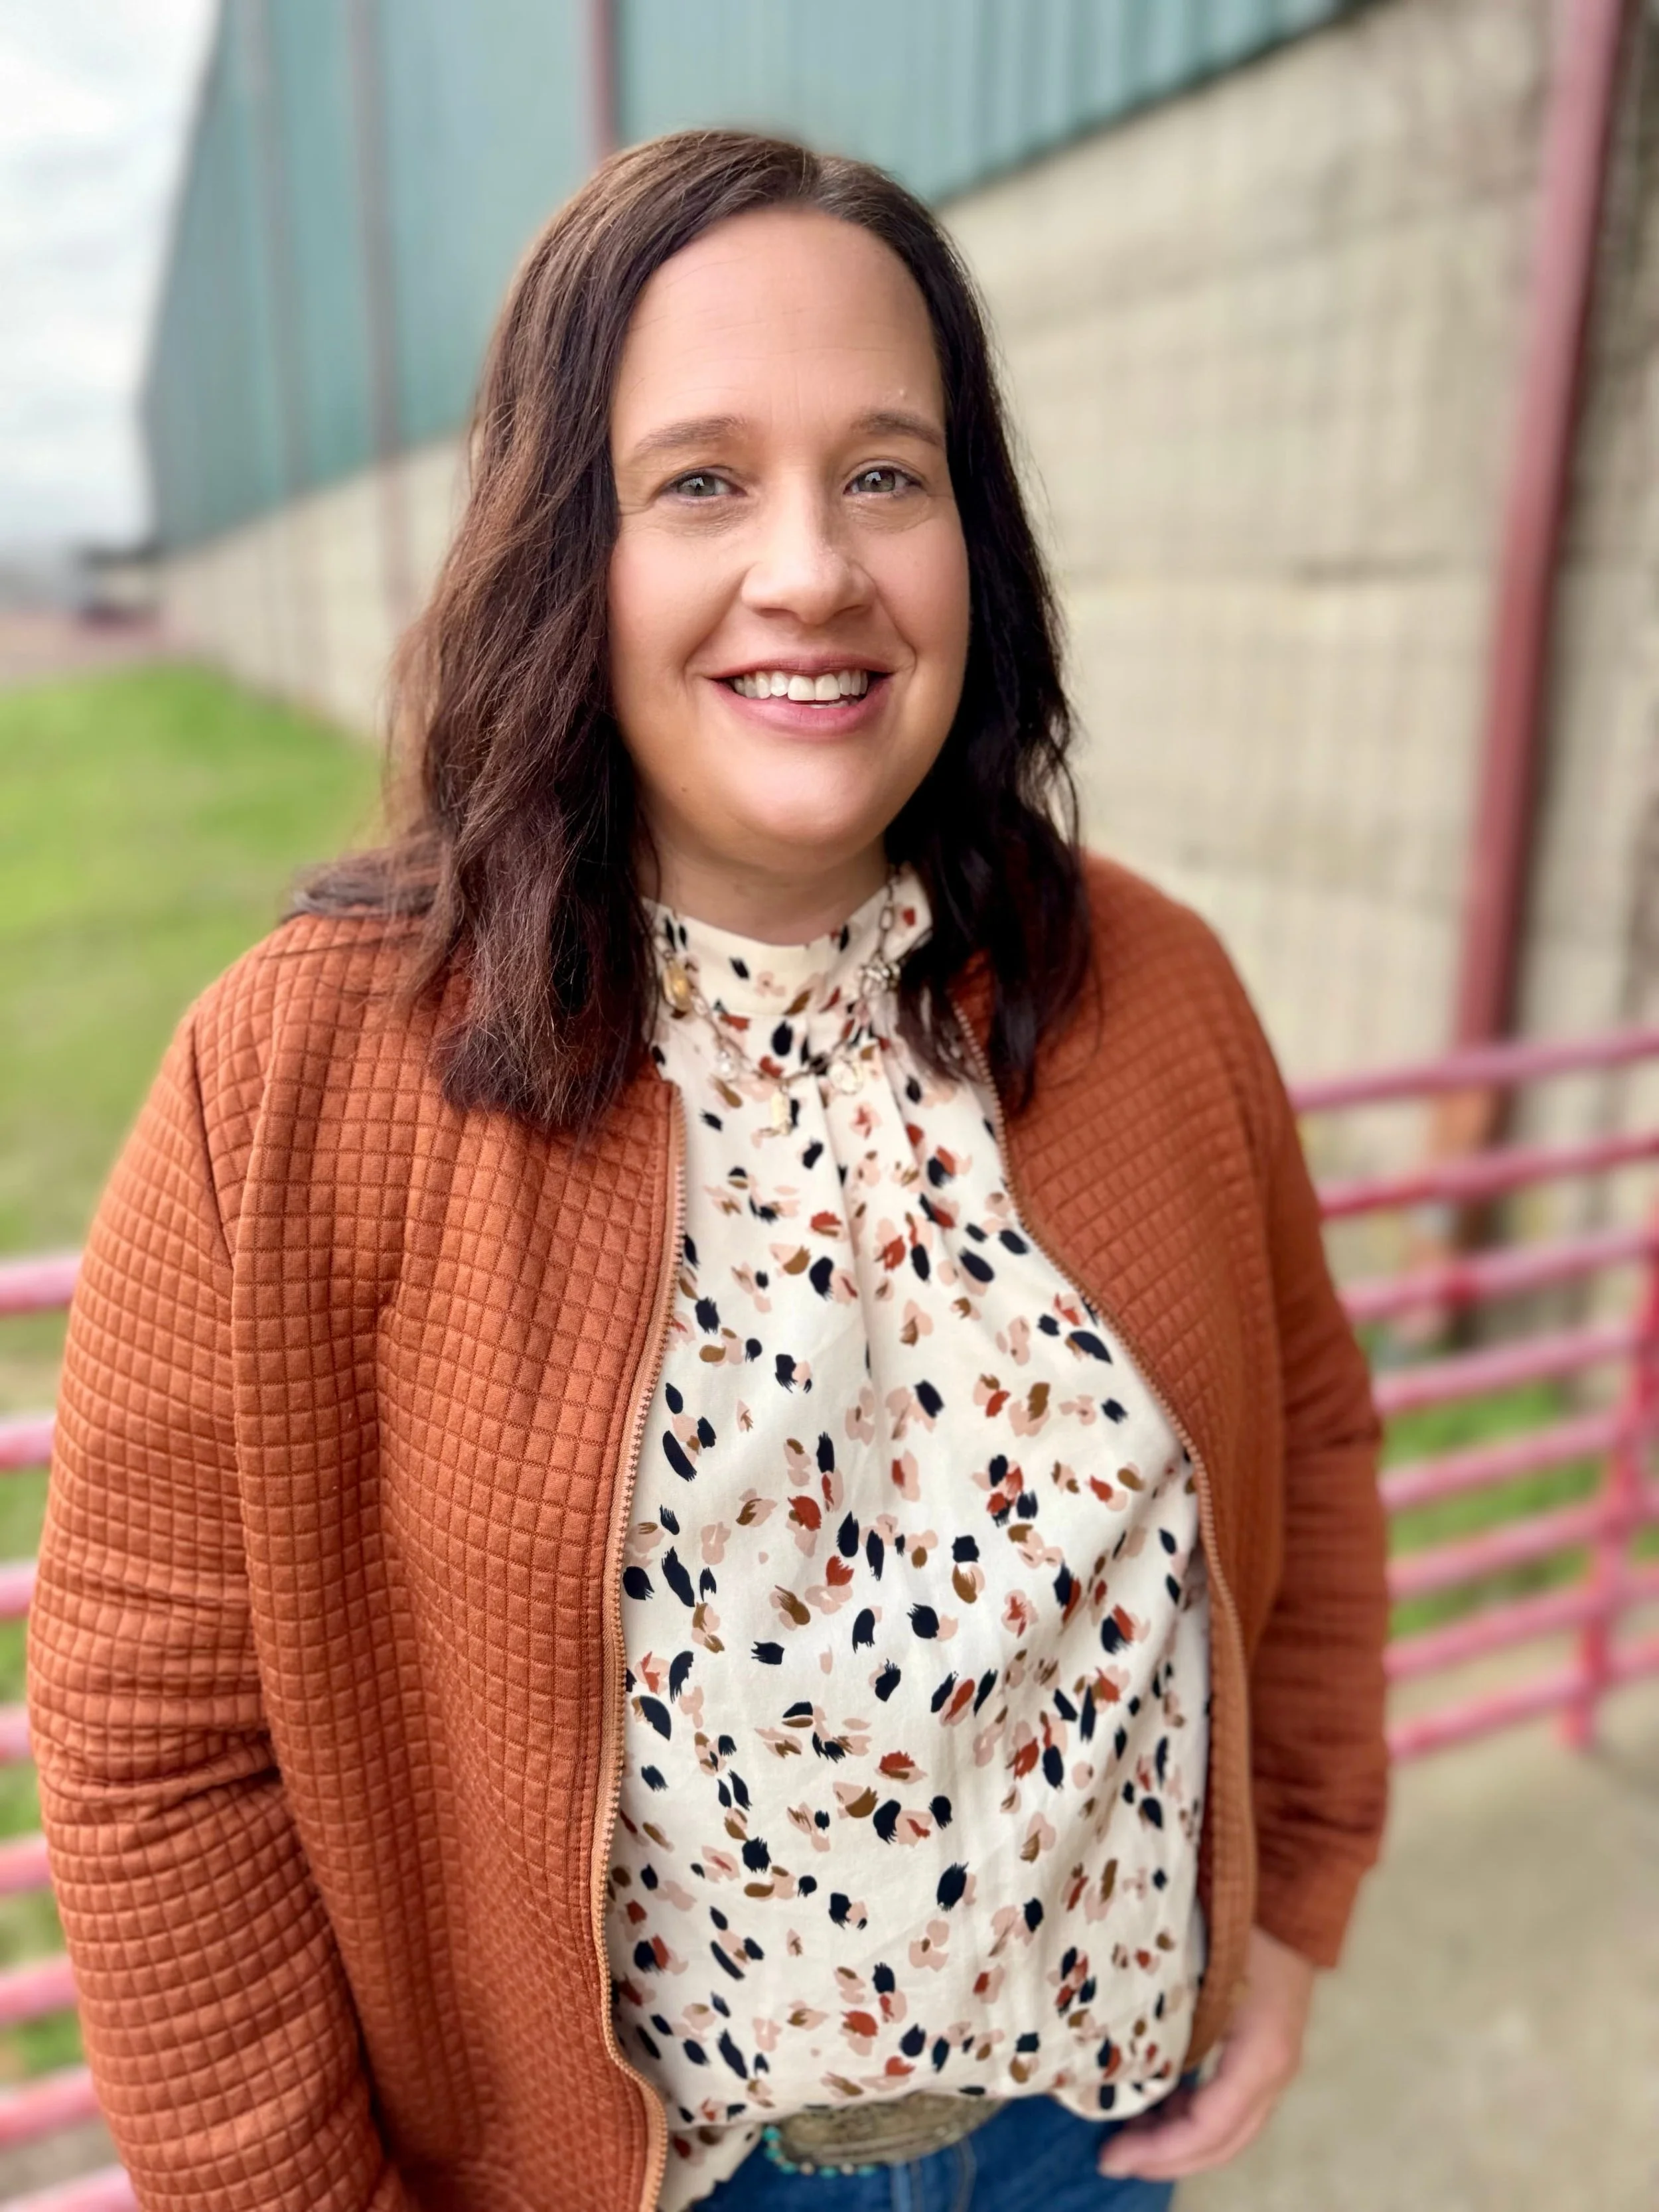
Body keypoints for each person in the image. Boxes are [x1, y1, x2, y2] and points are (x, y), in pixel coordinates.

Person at [26, 131, 1388, 2212]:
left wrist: (1287, 1908)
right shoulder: (297, 1079)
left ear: (971, 536)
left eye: (883, 472)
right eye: (699, 480)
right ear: (562, 546)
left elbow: (1309, 1430)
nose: (812, 569)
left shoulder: (1162, 993)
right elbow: (155, 1755)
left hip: (1081, 2146)